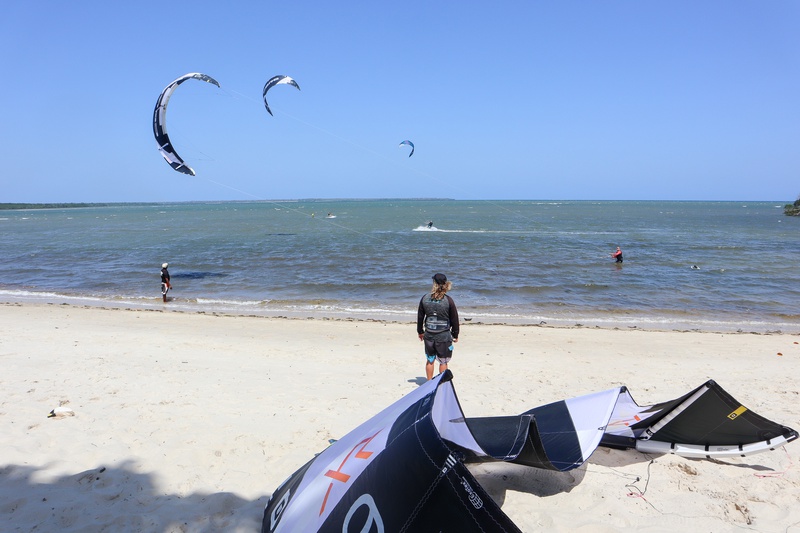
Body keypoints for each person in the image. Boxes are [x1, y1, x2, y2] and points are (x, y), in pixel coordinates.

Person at [416, 273, 459, 380]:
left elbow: (420, 317)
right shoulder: (448, 300)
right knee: (443, 361)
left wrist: (420, 331)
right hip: (444, 336)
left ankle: (429, 383)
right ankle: (442, 384)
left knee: (430, 360)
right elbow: (454, 319)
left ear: (434, 283)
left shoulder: (425, 298)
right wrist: (455, 334)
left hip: (429, 334)